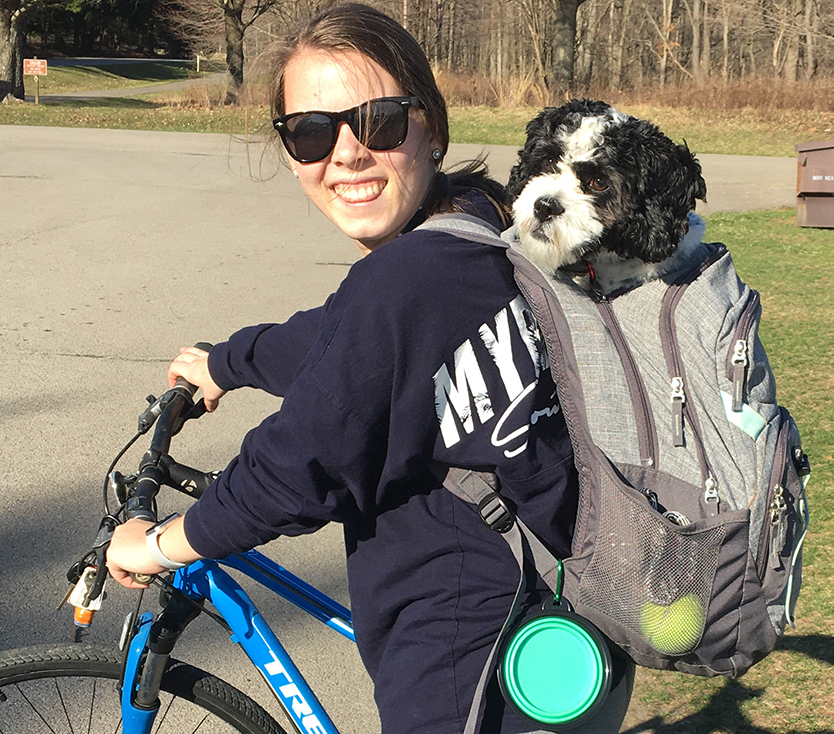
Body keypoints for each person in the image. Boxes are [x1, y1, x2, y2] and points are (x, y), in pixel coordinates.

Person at [102, 5, 632, 733]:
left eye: (379, 122)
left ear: (432, 128)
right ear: (292, 151)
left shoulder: (406, 279)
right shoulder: (479, 226)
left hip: (467, 657)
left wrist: (161, 542)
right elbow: (351, 342)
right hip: (562, 611)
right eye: (313, 131)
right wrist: (231, 361)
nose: (346, 153)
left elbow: (298, 464)